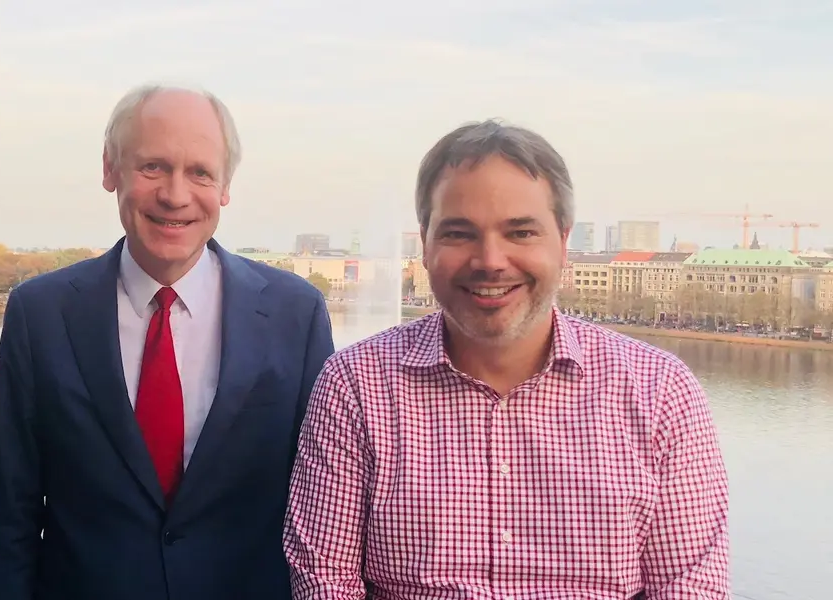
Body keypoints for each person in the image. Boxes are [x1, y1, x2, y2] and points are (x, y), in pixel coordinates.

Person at [283, 120, 731, 599]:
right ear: (426, 244)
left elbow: (690, 588)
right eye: (459, 233)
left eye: (520, 232)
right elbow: (325, 580)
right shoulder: (356, 384)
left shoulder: (660, 392)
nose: (491, 261)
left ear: (563, 243)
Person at [0, 84, 335, 600]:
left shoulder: (295, 314)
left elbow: (323, 509)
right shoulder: (41, 313)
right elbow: (9, 512)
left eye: (200, 172)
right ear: (110, 169)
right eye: (153, 167)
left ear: (225, 186)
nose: (175, 195)